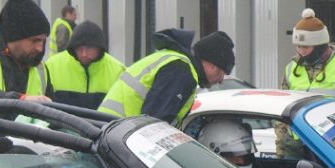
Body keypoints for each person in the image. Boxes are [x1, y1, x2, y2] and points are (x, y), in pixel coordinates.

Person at [98, 27, 235, 125]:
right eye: (222, 72)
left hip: (112, 130)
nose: (222, 80)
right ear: (211, 65)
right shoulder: (181, 70)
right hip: (116, 137)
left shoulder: (174, 62)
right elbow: (154, 124)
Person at [42, 20, 123, 110]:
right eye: (79, 48)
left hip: (104, 124)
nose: (84, 54)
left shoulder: (118, 71)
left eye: (89, 48)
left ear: (99, 48)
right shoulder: (52, 66)